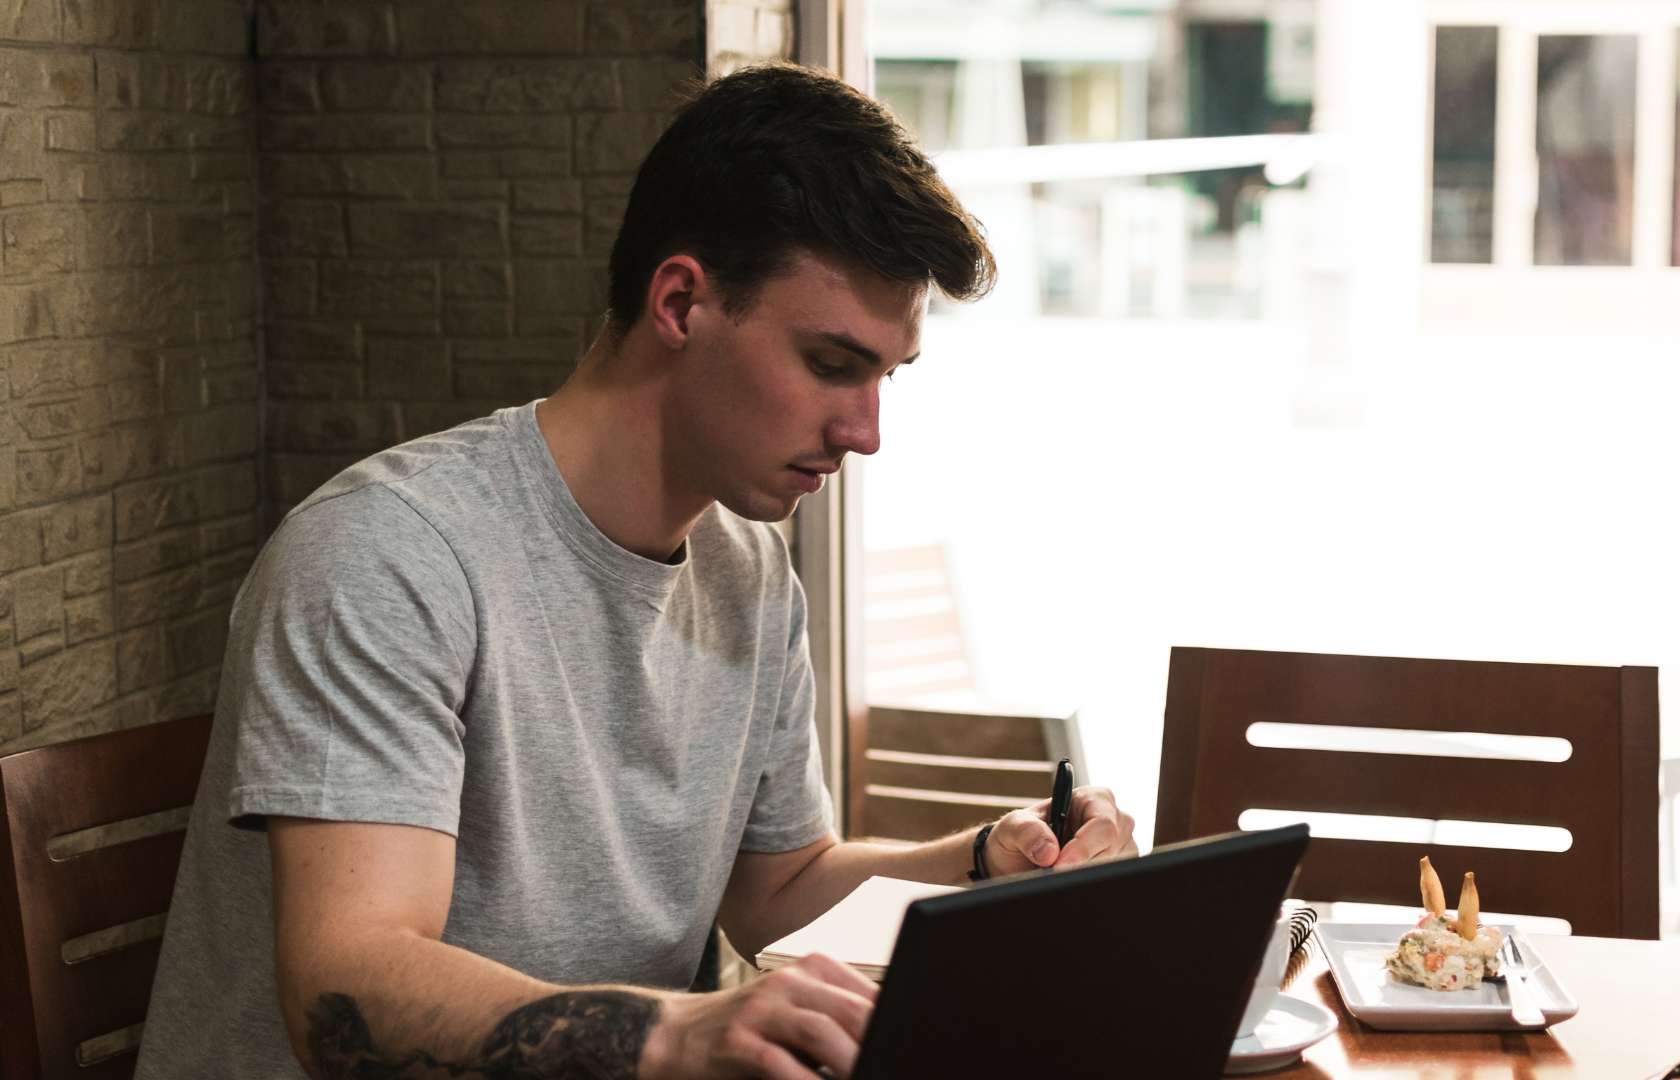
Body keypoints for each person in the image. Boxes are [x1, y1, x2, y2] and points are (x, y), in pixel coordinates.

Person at [134, 63, 1139, 1080]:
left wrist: (983, 861)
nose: (865, 431)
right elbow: (347, 989)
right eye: (833, 364)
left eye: (887, 377)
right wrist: (682, 1031)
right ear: (680, 301)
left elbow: (778, 886)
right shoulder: (386, 555)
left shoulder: (747, 568)